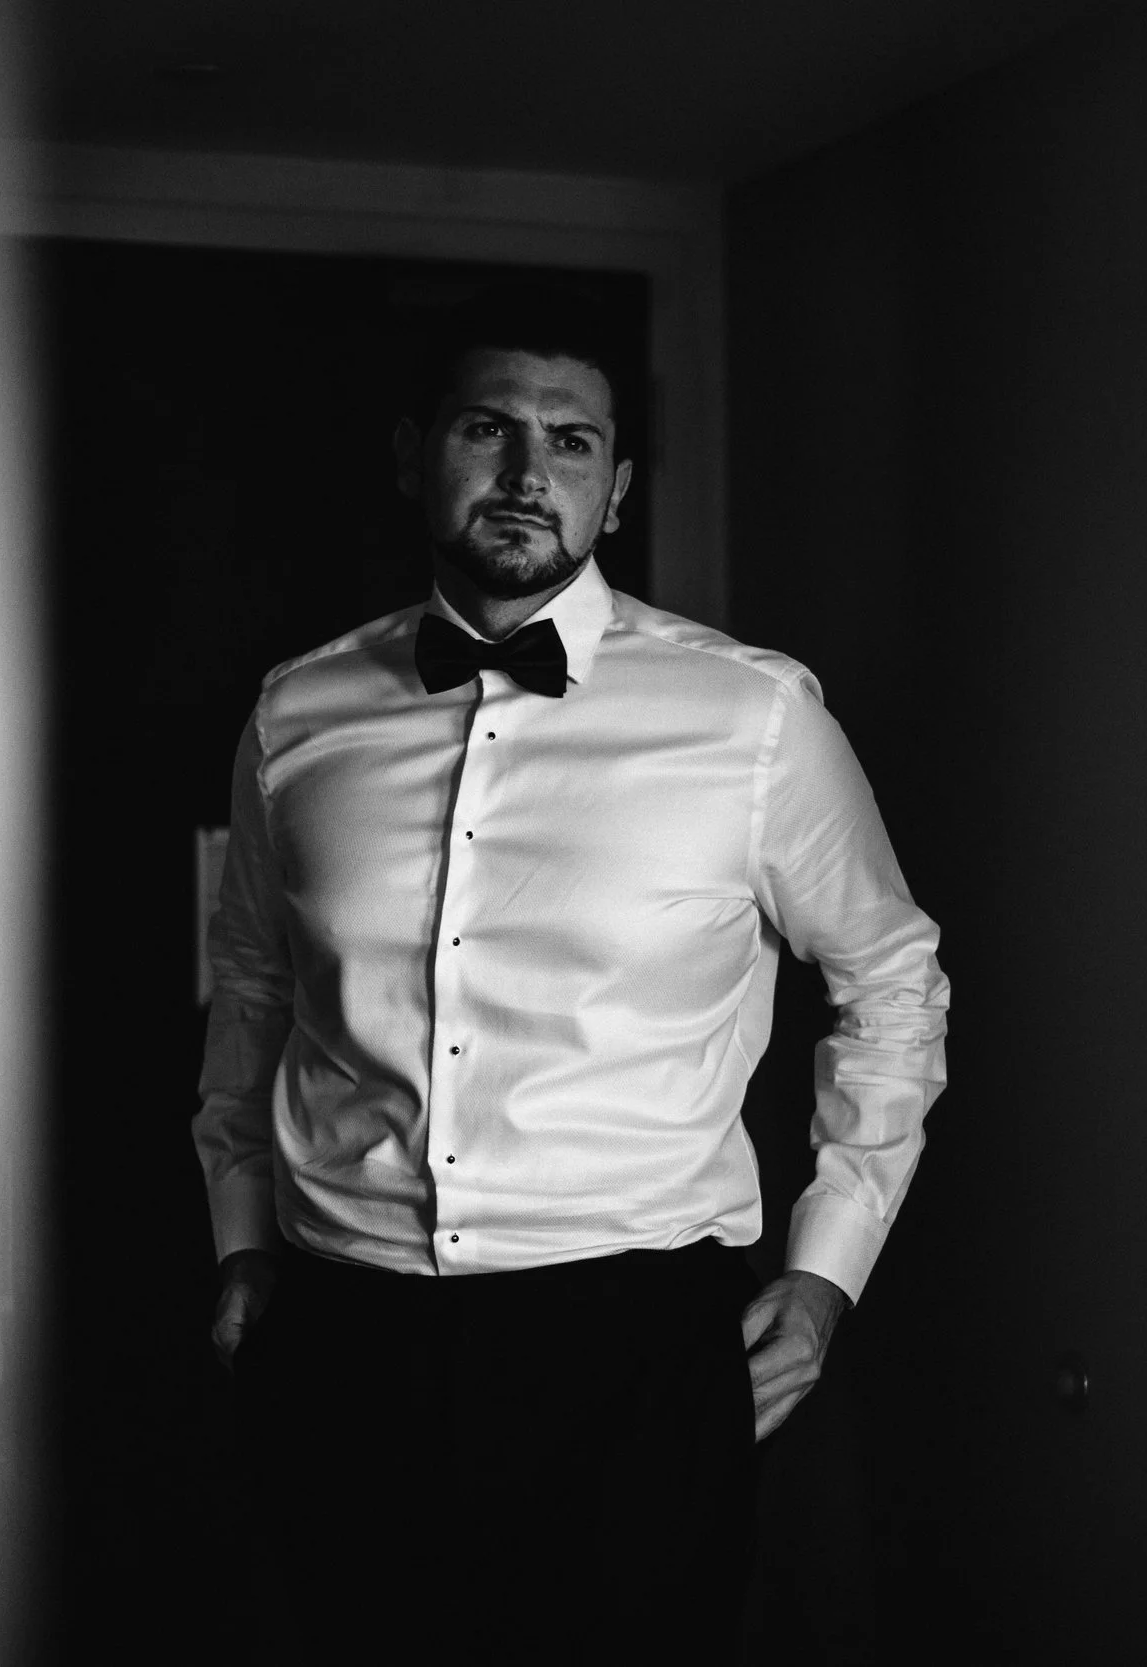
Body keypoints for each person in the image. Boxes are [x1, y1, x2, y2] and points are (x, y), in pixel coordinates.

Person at [194, 284, 949, 1663]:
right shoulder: (294, 712)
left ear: (618, 490)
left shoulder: (752, 714)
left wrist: (832, 1261)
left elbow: (891, 977)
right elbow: (248, 979)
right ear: (416, 452)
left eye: (573, 441)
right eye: (490, 428)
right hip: (344, 1330)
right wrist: (241, 1234)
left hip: (636, 1350)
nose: (530, 474)